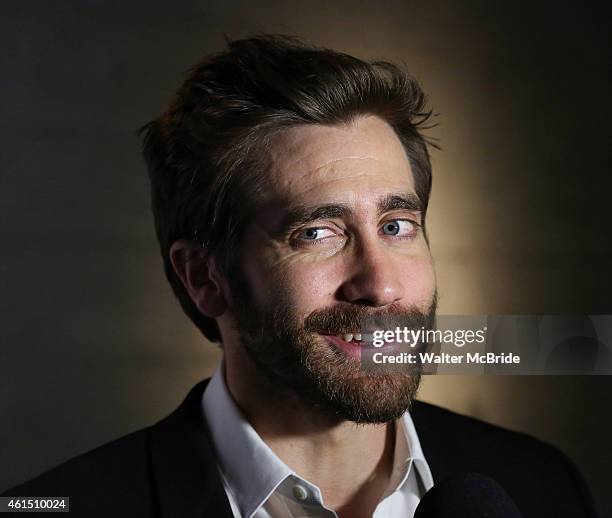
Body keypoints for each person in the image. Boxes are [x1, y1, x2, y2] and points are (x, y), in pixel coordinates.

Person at [2, 35, 597, 518]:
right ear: (204, 278)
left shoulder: (541, 486)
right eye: (317, 233)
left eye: (396, 225)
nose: (381, 286)